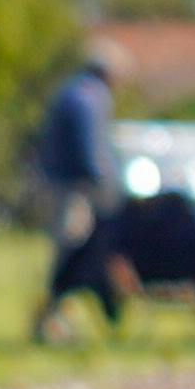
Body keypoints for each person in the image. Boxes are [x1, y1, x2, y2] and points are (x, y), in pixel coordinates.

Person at [29, 48, 135, 344]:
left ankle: (57, 321)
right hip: (76, 190)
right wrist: (109, 187)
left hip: (64, 185)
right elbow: (92, 151)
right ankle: (51, 323)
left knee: (69, 256)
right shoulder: (89, 97)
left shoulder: (73, 91)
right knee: (71, 256)